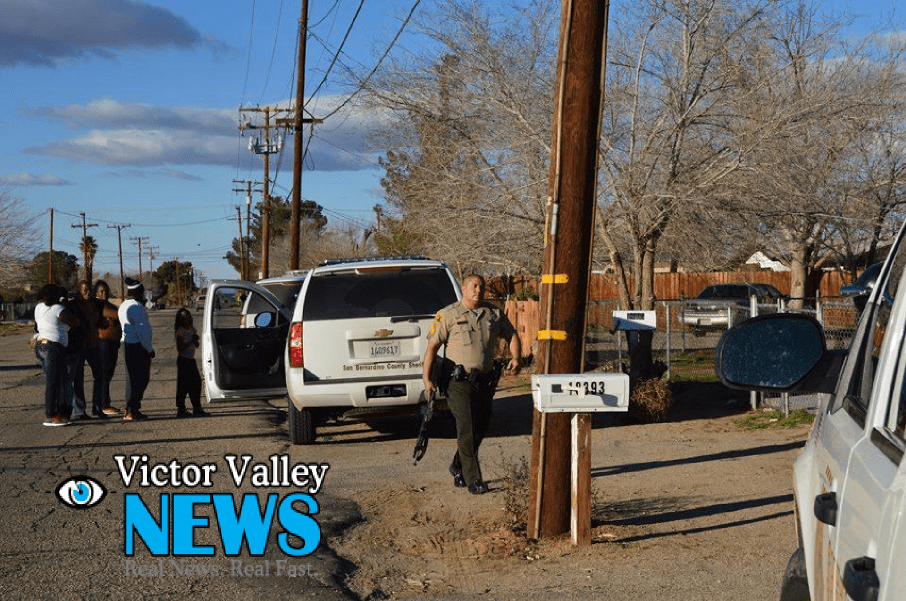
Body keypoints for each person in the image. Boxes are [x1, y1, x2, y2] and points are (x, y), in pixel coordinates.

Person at [422, 274, 521, 495]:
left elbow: (512, 334)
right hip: (458, 382)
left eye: (482, 286)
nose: (479, 290)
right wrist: (427, 379)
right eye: (474, 286)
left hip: (484, 381)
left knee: (481, 426)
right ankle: (472, 478)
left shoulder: (493, 313)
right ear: (464, 289)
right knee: (466, 426)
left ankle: (457, 465)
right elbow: (432, 349)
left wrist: (516, 357)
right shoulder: (447, 315)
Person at [34, 284, 79, 426]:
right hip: (53, 348)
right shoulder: (58, 308)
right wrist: (64, 304)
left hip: (41, 345)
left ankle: (58, 412)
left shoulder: (38, 307)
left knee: (54, 380)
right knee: (53, 382)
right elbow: (74, 322)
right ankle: (52, 415)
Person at [119, 278, 154, 421]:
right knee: (139, 379)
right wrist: (149, 349)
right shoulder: (136, 307)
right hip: (137, 346)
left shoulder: (124, 305)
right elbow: (142, 331)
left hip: (128, 344)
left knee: (132, 378)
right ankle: (132, 410)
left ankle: (131, 408)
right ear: (139, 292)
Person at [73, 280, 106, 418]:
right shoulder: (73, 304)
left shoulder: (96, 303)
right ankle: (80, 411)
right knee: (78, 379)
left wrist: (104, 324)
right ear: (79, 290)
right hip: (79, 346)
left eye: (88, 289)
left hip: (94, 344)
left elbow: (100, 321)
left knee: (100, 376)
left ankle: (97, 408)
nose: (87, 292)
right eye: (84, 289)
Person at [94, 280, 123, 416]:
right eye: (101, 291)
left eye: (106, 290)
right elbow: (114, 315)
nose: (104, 293)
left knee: (109, 374)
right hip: (102, 343)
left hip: (113, 343)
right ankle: (104, 405)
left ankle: (102, 404)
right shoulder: (97, 305)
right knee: (104, 374)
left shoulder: (110, 305)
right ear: (96, 293)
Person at [173, 308, 208, 418]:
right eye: (183, 316)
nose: (186, 318)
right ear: (179, 319)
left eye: (188, 316)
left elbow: (196, 345)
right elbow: (180, 348)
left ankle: (197, 408)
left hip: (191, 360)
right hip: (183, 360)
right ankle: (181, 409)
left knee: (196, 384)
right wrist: (191, 341)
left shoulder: (192, 329)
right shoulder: (180, 331)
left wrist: (196, 340)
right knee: (183, 386)